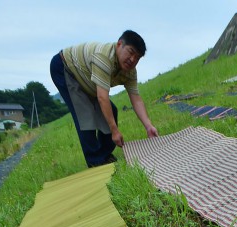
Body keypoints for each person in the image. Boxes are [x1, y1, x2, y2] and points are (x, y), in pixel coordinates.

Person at [50, 31, 158, 168]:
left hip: (87, 77)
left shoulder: (130, 71)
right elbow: (102, 97)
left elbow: (136, 99)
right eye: (130, 52)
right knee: (85, 114)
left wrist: (148, 126)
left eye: (137, 58)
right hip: (65, 67)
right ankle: (95, 161)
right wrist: (115, 131)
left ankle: (105, 154)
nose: (132, 60)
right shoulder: (104, 57)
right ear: (119, 44)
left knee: (111, 110)